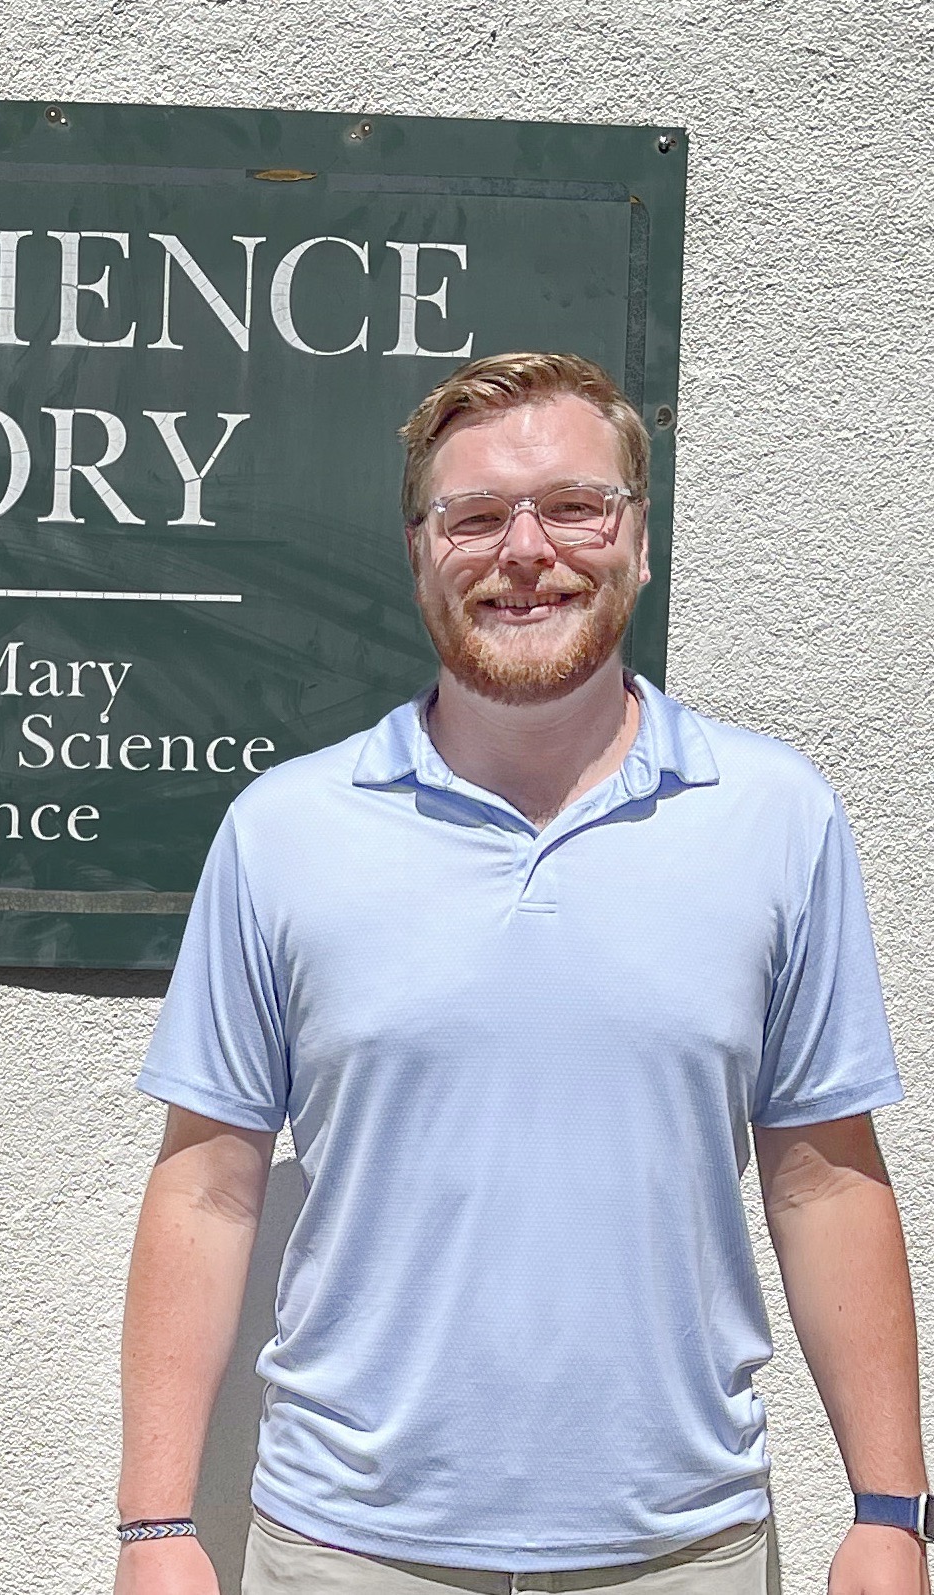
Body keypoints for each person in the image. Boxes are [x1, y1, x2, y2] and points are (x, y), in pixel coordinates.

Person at [113, 352, 925, 1595]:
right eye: (475, 516)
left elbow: (822, 1180)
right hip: (344, 1552)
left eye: (573, 505)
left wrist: (888, 1508)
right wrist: (156, 1529)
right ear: (418, 554)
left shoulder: (775, 817)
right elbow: (207, 1188)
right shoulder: (285, 829)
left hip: (685, 1550)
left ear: (637, 541)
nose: (525, 549)